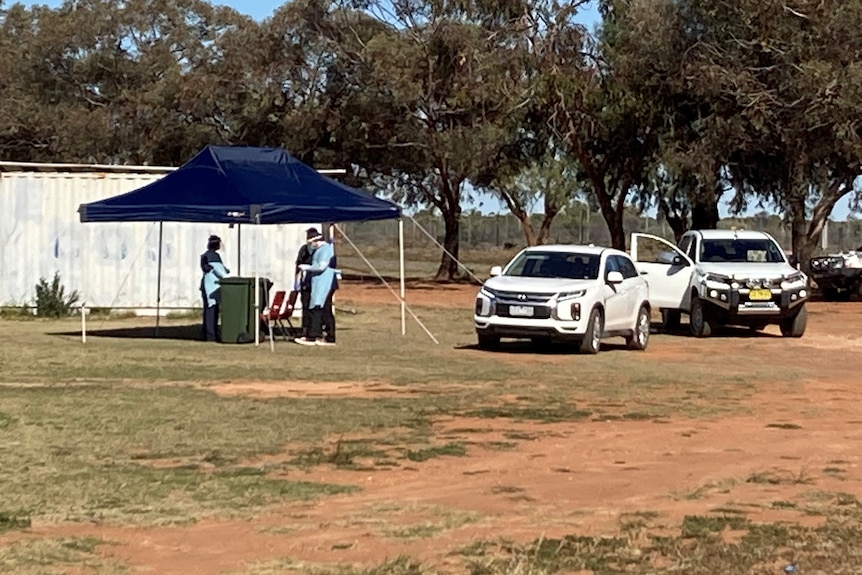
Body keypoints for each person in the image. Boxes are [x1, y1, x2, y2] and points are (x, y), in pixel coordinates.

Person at [294, 231, 336, 346]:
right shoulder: (318, 250)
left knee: (322, 310)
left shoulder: (325, 249)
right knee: (316, 309)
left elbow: (322, 266)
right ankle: (314, 334)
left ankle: (324, 336)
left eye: (311, 242)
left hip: (324, 283)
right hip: (317, 283)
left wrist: (306, 267)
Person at [200, 235, 230, 342]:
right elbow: (209, 268)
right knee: (210, 312)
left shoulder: (209, 256)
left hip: (214, 287)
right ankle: (210, 335)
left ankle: (211, 333)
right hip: (210, 287)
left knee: (212, 311)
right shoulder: (207, 256)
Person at [294, 228, 317, 339]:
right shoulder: (304, 249)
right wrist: (296, 280)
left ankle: (314, 330)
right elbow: (298, 264)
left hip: (316, 282)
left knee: (314, 308)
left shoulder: (320, 249)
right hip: (305, 283)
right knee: (305, 307)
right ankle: (305, 329)